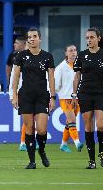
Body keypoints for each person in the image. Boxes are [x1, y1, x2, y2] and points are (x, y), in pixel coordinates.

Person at [72, 27, 103, 169]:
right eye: (87, 38)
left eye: (91, 37)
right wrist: (74, 95)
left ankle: (102, 152)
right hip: (85, 93)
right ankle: (92, 161)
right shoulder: (81, 55)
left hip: (101, 93)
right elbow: (77, 76)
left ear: (98, 38)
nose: (89, 40)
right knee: (88, 126)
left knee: (101, 125)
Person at [12, 27, 55, 169]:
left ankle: (41, 150)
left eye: (34, 36)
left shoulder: (48, 56)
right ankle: (32, 162)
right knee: (29, 128)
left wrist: (53, 97)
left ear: (40, 38)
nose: (31, 39)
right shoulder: (21, 56)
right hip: (25, 96)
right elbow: (16, 76)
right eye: (29, 37)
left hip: (42, 96)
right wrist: (14, 95)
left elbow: (51, 77)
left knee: (42, 130)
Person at [55, 45, 83, 153]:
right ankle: (77, 142)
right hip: (65, 98)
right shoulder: (61, 67)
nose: (73, 52)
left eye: (75, 50)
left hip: (77, 98)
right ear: (66, 53)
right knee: (72, 120)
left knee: (69, 122)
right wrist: (58, 94)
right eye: (71, 51)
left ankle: (63, 144)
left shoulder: (80, 66)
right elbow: (56, 85)